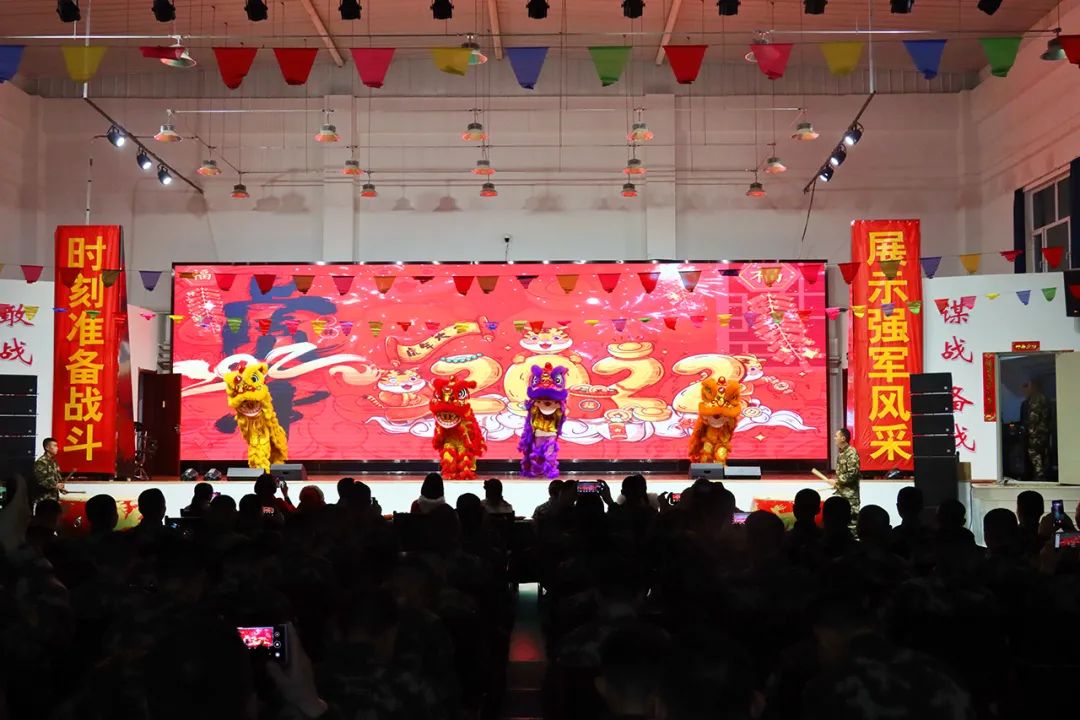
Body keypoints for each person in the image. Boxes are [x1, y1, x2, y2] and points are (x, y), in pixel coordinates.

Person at [1020, 379, 1052, 482]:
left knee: (1034, 454)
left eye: (1028, 386)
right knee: (1043, 454)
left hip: (1036, 433)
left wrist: (1026, 427)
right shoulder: (1044, 398)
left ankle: (1040, 475)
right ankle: (1042, 475)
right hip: (1042, 432)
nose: (1025, 389)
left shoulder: (1036, 398)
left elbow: (1033, 418)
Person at [31, 437, 66, 506]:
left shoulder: (54, 462)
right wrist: (55, 485)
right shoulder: (41, 462)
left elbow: (57, 477)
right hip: (44, 499)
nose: (57, 448)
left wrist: (61, 488)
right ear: (47, 448)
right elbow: (40, 480)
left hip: (54, 498)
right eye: (55, 446)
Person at [834, 428, 862, 512]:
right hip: (842, 494)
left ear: (843, 438)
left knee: (851, 519)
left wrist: (837, 481)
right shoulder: (842, 453)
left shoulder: (851, 452)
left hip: (850, 497)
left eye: (836, 436)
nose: (835, 438)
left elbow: (852, 473)